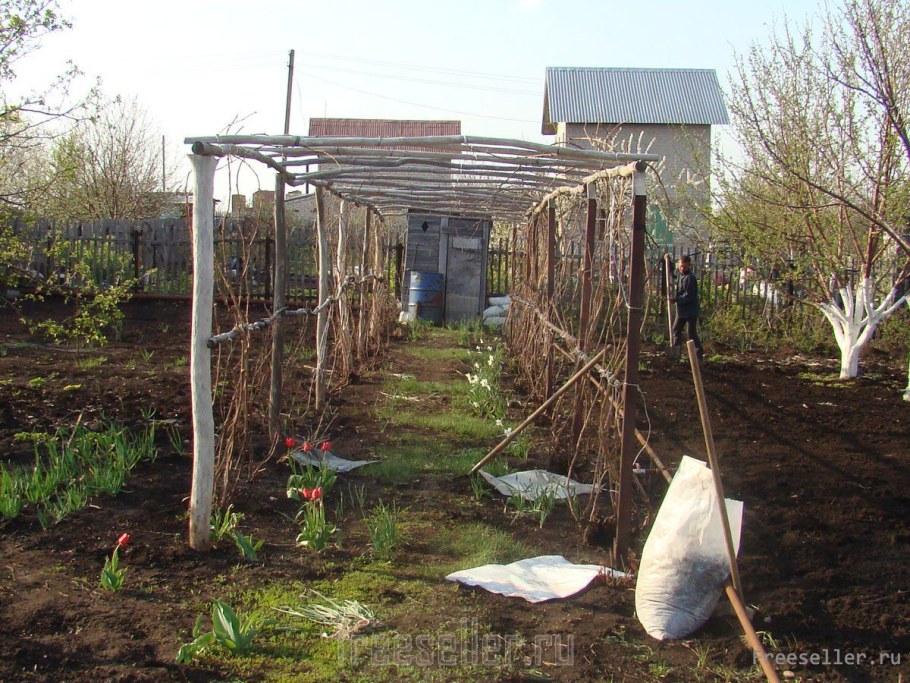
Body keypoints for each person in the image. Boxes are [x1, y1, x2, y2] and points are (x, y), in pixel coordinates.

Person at [670, 254, 703, 360]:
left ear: (689, 266)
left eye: (684, 266)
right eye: (680, 266)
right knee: (675, 330)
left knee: (691, 333)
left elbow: (688, 296)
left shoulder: (691, 278)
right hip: (681, 310)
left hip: (690, 310)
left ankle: (698, 356)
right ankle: (676, 353)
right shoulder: (679, 274)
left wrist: (676, 299)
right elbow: (673, 275)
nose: (682, 268)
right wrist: (669, 263)